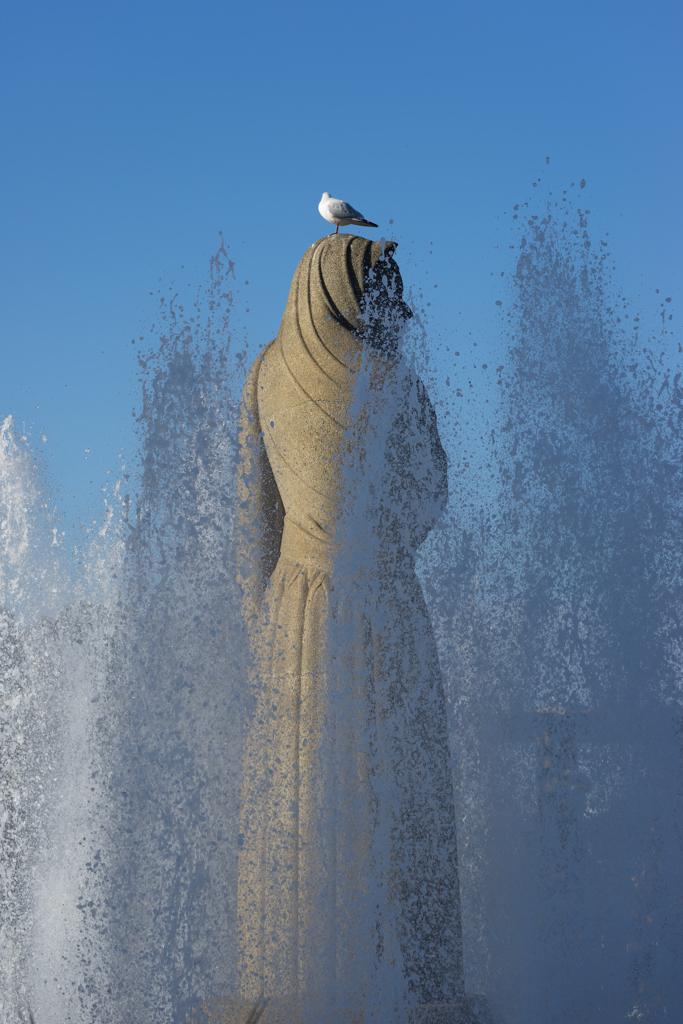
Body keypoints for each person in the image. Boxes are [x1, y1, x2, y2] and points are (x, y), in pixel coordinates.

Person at [235, 234, 465, 1024]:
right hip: (383, 605)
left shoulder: (264, 372)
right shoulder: (392, 379)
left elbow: (251, 519)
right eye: (384, 295)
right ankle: (414, 980)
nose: (394, 312)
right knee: (399, 796)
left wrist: (261, 617)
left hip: (289, 614)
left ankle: (281, 973)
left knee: (288, 802)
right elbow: (430, 495)